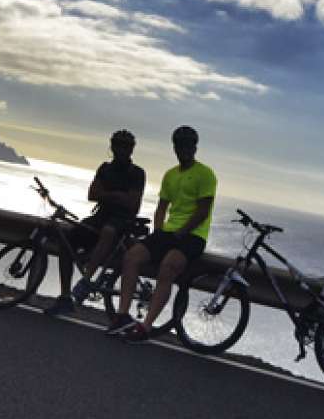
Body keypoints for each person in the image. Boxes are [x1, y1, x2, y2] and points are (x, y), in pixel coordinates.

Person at [111, 125, 216, 342]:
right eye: (179, 145)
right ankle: (121, 316)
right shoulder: (170, 175)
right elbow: (161, 207)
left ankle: (146, 327)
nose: (183, 149)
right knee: (131, 257)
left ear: (195, 147)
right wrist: (158, 231)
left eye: (188, 145)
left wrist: (181, 232)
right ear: (175, 148)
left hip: (194, 235)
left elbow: (203, 211)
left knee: (168, 267)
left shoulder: (205, 174)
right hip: (168, 232)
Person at [43, 129, 145, 316]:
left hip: (122, 221)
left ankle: (86, 282)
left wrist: (107, 194)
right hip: (101, 216)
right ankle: (65, 297)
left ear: (131, 150)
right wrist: (118, 195)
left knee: (108, 231)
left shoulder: (137, 173)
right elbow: (92, 194)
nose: (122, 150)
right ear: (112, 147)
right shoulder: (104, 168)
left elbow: (133, 204)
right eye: (118, 145)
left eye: (126, 146)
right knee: (67, 241)